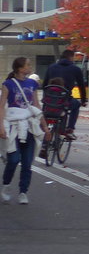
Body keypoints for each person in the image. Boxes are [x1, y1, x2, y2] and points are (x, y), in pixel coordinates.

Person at [1, 56, 48, 205]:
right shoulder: (8, 84)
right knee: (13, 159)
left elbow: (36, 105)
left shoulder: (32, 84)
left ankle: (23, 192)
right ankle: (6, 184)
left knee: (27, 163)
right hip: (14, 126)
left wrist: (44, 126)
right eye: (27, 65)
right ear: (20, 68)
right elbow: (2, 106)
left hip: (29, 126)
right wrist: (1, 126)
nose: (30, 67)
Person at [43, 48, 85, 140]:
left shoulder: (51, 67)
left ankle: (45, 140)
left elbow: (44, 85)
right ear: (71, 57)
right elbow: (81, 86)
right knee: (76, 105)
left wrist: (46, 97)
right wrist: (83, 100)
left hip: (50, 100)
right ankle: (70, 129)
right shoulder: (75, 69)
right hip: (65, 100)